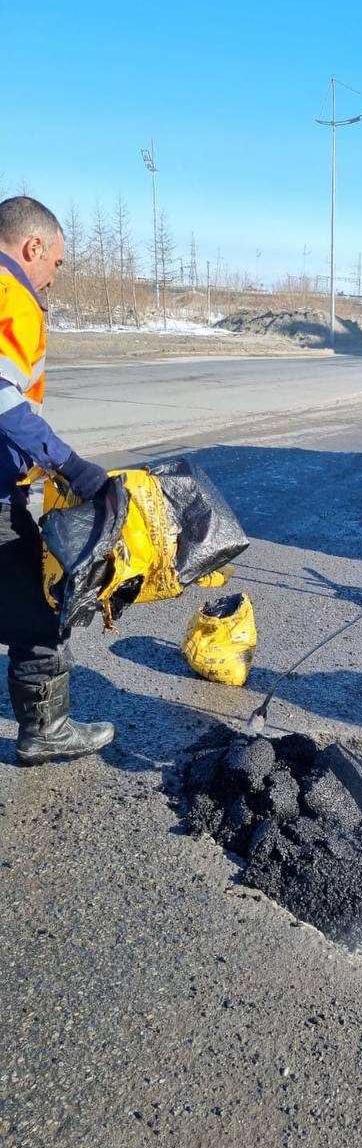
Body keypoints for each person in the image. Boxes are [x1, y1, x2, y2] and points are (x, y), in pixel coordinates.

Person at [0, 196, 114, 765]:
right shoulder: (12, 297)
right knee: (39, 610)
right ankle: (45, 730)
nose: (55, 276)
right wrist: (71, 465)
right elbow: (3, 402)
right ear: (33, 246)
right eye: (57, 263)